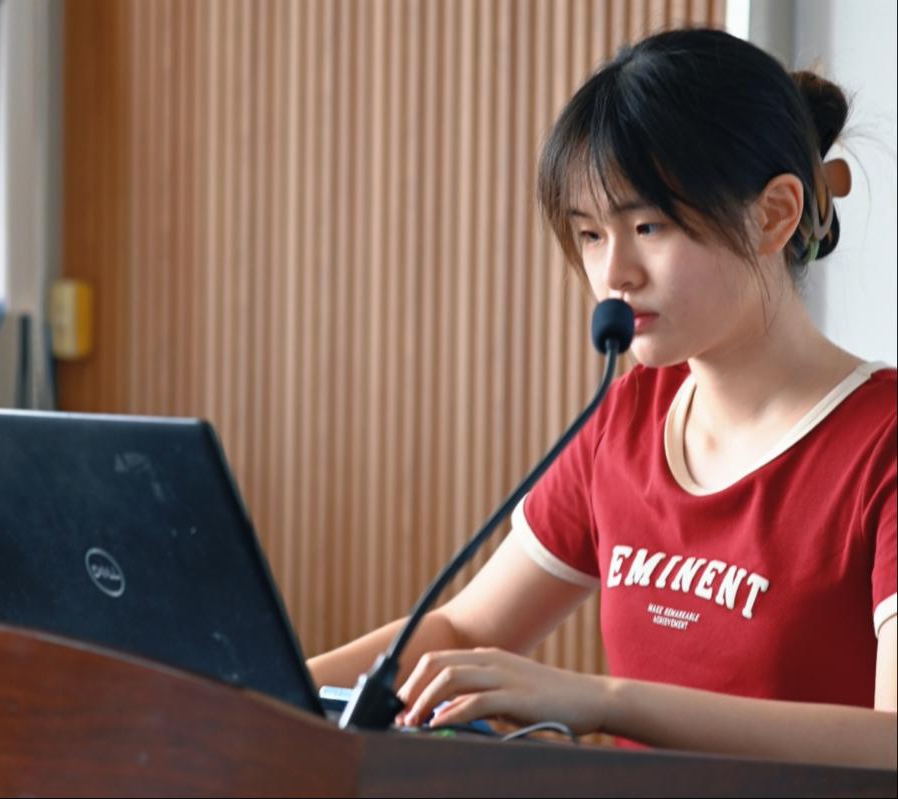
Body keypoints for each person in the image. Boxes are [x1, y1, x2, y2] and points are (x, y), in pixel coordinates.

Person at [307, 27, 897, 770]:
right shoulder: (627, 418)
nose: (614, 273)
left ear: (774, 215)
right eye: (589, 235)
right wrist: (257, 689)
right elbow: (465, 631)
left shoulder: (882, 442)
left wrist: (607, 700)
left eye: (648, 226)